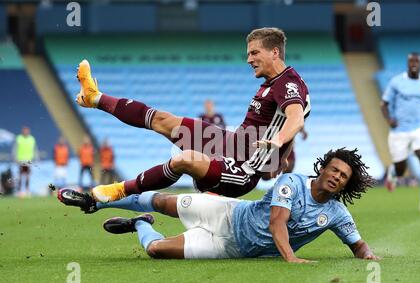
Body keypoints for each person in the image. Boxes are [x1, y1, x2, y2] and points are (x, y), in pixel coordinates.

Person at [72, 27, 311, 203]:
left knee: (184, 159)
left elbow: (296, 118)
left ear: (275, 52)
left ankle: (121, 189)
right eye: (248, 54)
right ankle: (94, 97)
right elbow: (292, 117)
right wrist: (280, 157)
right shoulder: (275, 83)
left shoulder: (287, 84)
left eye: (254, 53)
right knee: (164, 119)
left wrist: (279, 144)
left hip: (244, 168)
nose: (249, 59)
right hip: (230, 143)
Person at [58, 148, 379, 263]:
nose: (336, 176)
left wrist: (368, 255)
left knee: (156, 252)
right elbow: (277, 222)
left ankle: (140, 224)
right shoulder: (292, 183)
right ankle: (95, 201)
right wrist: (291, 257)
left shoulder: (336, 213)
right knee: (160, 200)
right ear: (322, 169)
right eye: (334, 169)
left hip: (229, 248)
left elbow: (358, 245)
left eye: (343, 176)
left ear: (347, 184)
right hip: (226, 213)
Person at [382, 52, 420, 213]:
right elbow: (383, 104)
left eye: (417, 61)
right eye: (411, 60)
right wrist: (389, 120)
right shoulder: (396, 82)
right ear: (408, 63)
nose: (414, 63)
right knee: (401, 169)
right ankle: (393, 172)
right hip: (399, 130)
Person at [12, 126, 39, 197]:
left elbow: (35, 149)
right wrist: (15, 158)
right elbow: (15, 149)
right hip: (20, 160)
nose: (26, 132)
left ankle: (27, 190)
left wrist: (36, 159)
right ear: (22, 131)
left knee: (28, 176)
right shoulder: (19, 138)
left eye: (27, 131)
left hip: (29, 160)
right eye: (24, 131)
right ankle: (20, 191)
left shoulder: (32, 139)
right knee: (20, 176)